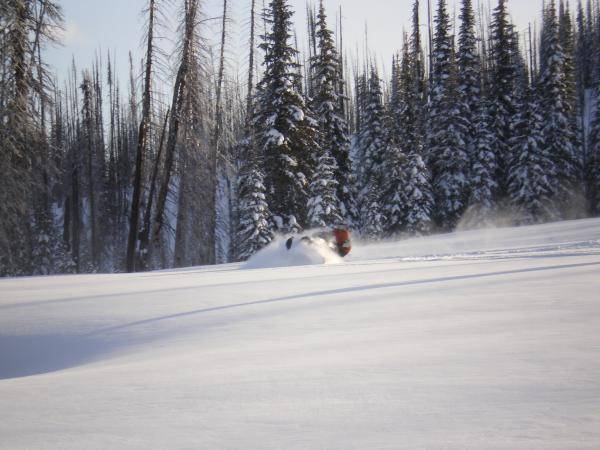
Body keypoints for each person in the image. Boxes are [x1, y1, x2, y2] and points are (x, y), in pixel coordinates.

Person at [285, 225, 352, 257]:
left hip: (338, 252)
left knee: (321, 245)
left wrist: (336, 246)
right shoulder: (338, 233)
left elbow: (344, 247)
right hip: (337, 249)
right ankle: (299, 243)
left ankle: (307, 244)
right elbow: (330, 234)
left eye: (340, 228)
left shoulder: (344, 235)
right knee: (320, 241)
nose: (338, 228)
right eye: (338, 227)